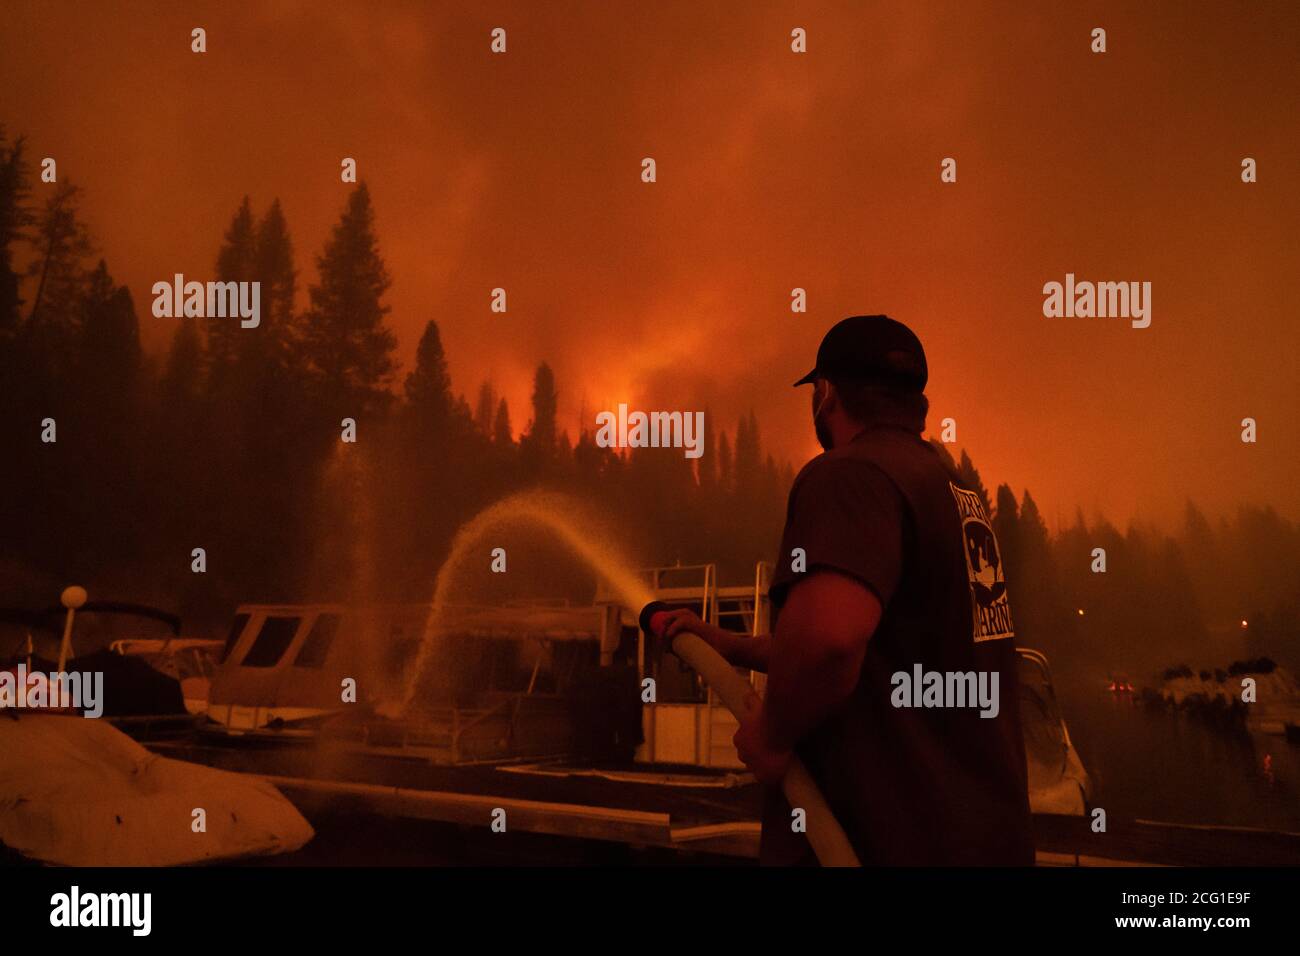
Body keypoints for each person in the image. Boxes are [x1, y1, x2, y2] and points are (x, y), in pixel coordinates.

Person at [656, 315, 1034, 865]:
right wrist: (722, 642)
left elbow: (830, 641)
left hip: (884, 844)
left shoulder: (849, 475)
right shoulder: (953, 490)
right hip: (977, 841)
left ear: (826, 393)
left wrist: (773, 735)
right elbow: (875, 647)